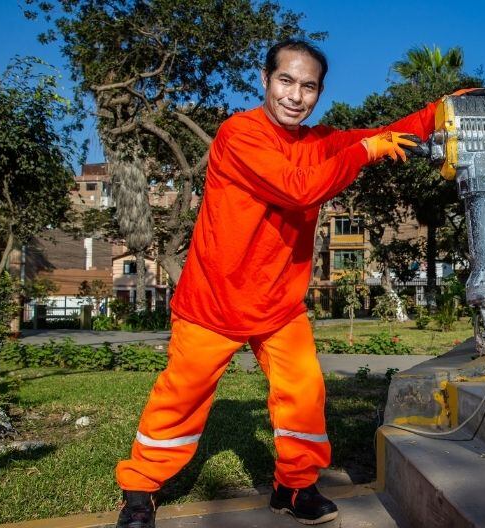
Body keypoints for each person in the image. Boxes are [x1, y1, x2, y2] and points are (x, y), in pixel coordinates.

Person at [115, 39, 467, 528]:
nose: (295, 96)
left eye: (308, 86)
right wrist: (364, 152)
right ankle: (140, 491)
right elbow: (299, 190)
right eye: (286, 81)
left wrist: (442, 111)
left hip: (279, 306)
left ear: (319, 92)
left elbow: (386, 133)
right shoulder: (240, 134)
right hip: (214, 302)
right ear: (265, 80)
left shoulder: (318, 142)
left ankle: (293, 487)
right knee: (181, 398)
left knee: (304, 392)